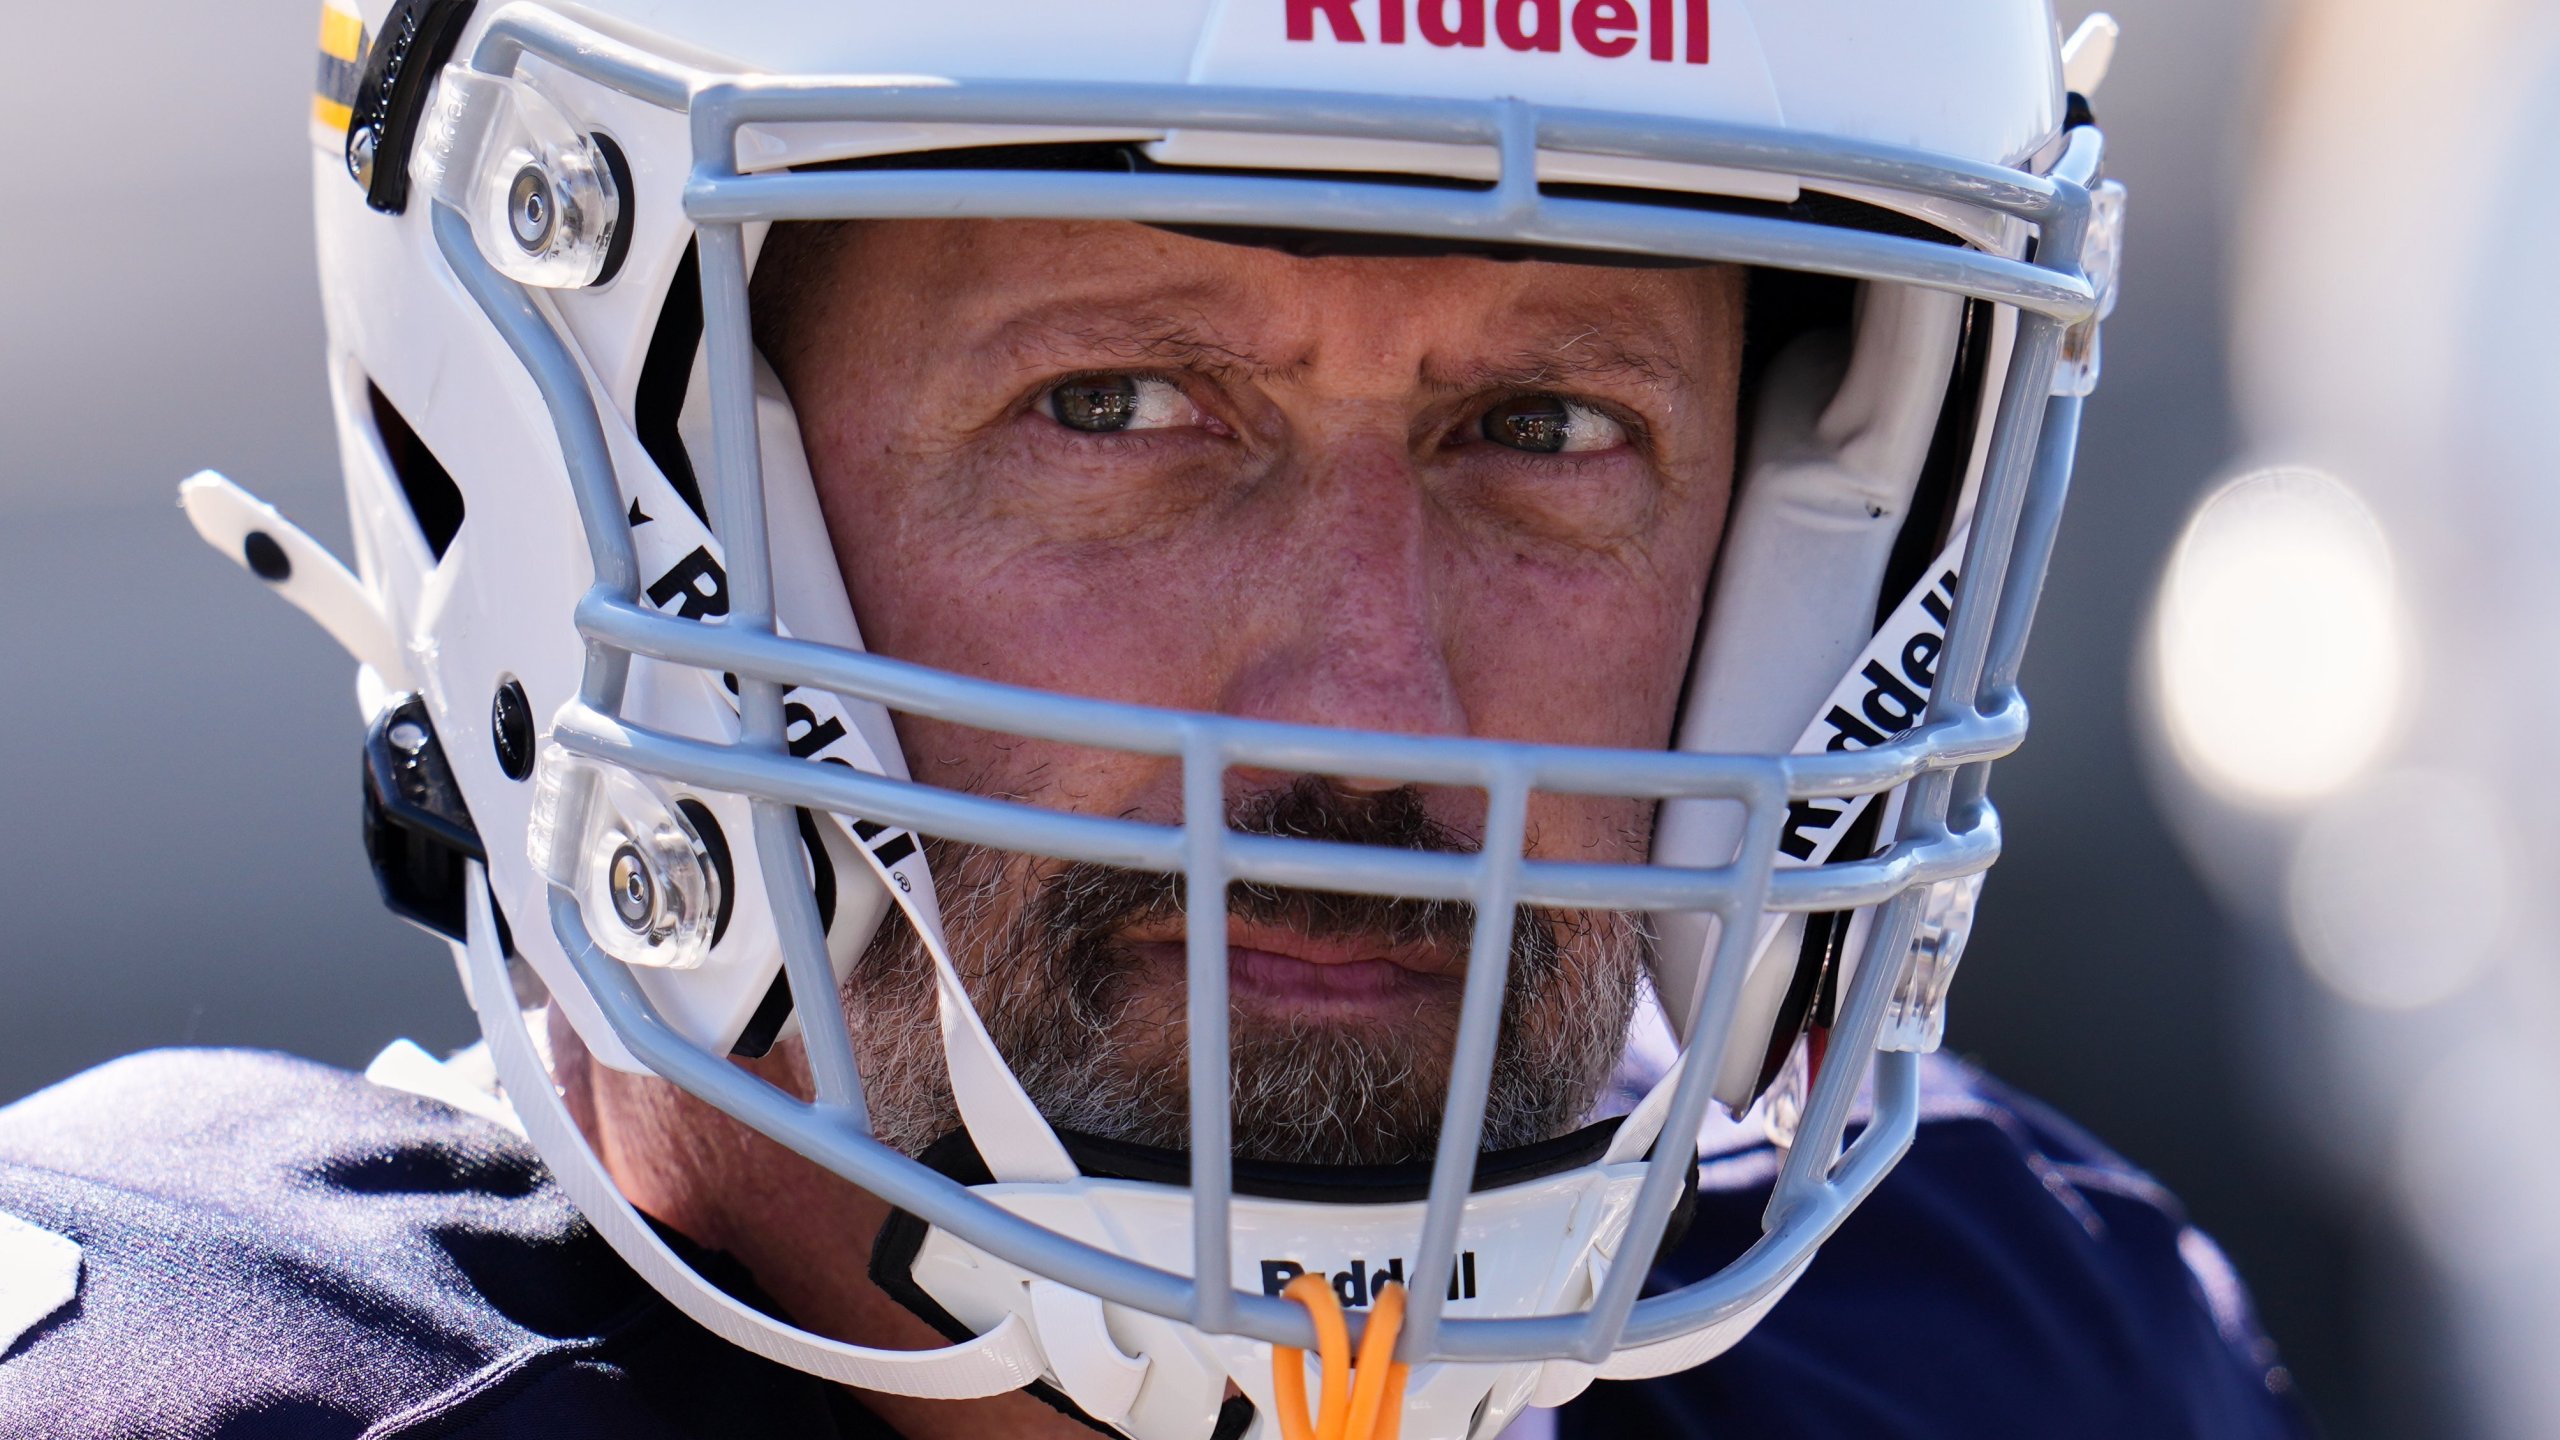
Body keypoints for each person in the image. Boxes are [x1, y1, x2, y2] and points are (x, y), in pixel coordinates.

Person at [0, 1, 2308, 1436]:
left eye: (1549, 424)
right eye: (1110, 406)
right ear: (625, 482)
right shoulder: (207, 1390)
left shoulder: (2004, 1350)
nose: (1366, 694)